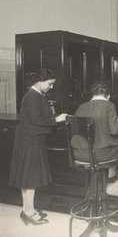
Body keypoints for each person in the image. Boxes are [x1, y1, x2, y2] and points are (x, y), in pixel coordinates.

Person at [8, 69, 67, 225]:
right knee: (30, 178)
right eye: (50, 84)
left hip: (30, 140)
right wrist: (57, 120)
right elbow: (36, 119)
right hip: (30, 142)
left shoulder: (36, 95)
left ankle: (29, 210)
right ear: (40, 81)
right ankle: (28, 212)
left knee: (27, 178)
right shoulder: (32, 96)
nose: (51, 87)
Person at [72, 80, 118, 183]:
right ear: (108, 96)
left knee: (112, 143)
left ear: (92, 95)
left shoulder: (81, 107)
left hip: (80, 154)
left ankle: (111, 174)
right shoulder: (108, 105)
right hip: (100, 155)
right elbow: (115, 130)